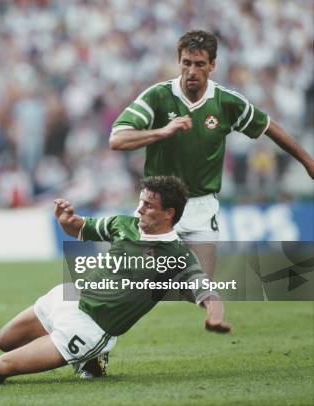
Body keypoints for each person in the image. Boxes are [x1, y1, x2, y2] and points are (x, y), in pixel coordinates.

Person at [0, 176, 231, 387]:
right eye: (141, 202)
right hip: (67, 297)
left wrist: (214, 315)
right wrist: (67, 219)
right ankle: (88, 363)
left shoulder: (175, 255)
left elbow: (206, 290)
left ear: (168, 213)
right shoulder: (123, 224)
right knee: (3, 341)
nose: (139, 209)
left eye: (148, 206)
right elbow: (80, 227)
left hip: (90, 328)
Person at [109, 30, 314, 279]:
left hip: (201, 206)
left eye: (199, 64)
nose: (192, 71)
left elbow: (269, 126)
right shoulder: (158, 96)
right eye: (186, 63)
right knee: (134, 284)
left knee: (202, 287)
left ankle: (213, 317)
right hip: (157, 203)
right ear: (179, 62)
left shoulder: (226, 102)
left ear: (212, 65)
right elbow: (117, 139)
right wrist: (162, 131)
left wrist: (307, 161)